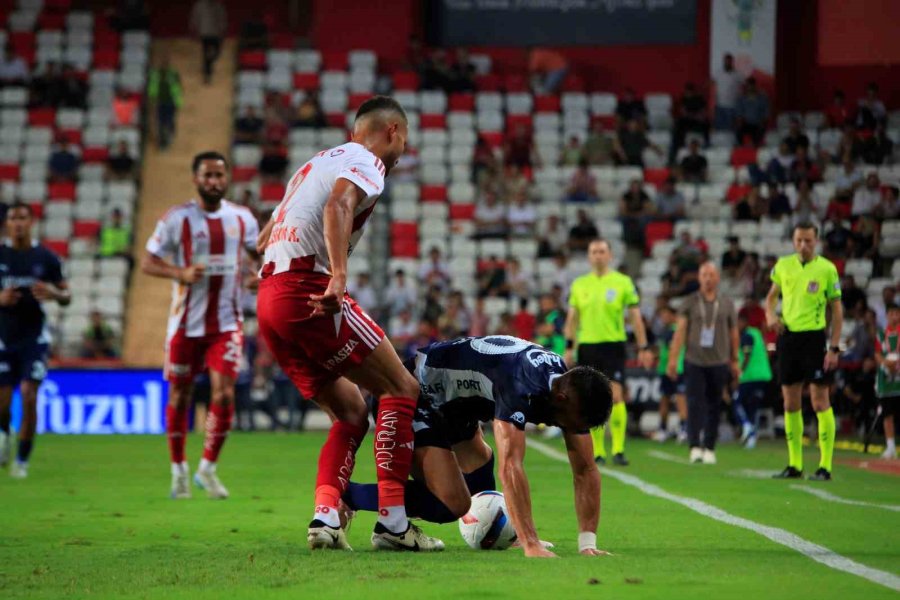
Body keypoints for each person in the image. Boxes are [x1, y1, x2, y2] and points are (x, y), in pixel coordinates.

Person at [255, 96, 442, 551]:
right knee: (402, 387)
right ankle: (394, 523)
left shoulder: (316, 163)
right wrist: (338, 275)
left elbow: (263, 236)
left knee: (351, 412)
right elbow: (338, 204)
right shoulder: (367, 159)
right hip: (308, 290)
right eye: (405, 141)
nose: (402, 153)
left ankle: (325, 517)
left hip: (270, 299)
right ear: (393, 131)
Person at [344, 336, 613, 558]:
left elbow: (585, 469)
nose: (575, 430)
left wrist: (587, 543)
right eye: (575, 423)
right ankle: (346, 496)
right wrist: (532, 543)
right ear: (562, 398)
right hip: (413, 394)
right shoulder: (519, 384)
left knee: (481, 465)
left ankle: (515, 535)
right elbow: (512, 467)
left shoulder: (565, 385)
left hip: (455, 407)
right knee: (452, 503)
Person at [141, 151, 260, 500]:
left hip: (226, 323)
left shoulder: (242, 218)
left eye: (219, 175)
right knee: (180, 394)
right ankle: (178, 469)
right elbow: (148, 262)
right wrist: (178, 272)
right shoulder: (177, 219)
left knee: (224, 392)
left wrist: (259, 276)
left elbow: (258, 259)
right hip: (184, 324)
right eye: (207, 175)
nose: (214, 182)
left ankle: (207, 468)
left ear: (227, 179)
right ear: (196, 179)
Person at [564, 239, 653, 466]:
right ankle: (598, 452)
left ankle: (619, 449)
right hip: (588, 346)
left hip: (613, 346)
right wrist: (569, 346)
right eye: (594, 252)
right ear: (588, 256)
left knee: (616, 396)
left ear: (610, 255)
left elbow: (635, 317)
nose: (598, 255)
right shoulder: (579, 284)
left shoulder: (622, 282)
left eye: (602, 251)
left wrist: (643, 347)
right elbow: (572, 318)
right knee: (591, 399)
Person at [766, 222, 843, 481]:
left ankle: (825, 466)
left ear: (816, 241)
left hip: (814, 338)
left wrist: (833, 347)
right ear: (793, 240)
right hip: (788, 338)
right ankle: (795, 465)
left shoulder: (827, 269)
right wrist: (769, 316)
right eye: (799, 240)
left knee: (820, 400)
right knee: (790, 402)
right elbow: (771, 297)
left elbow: (837, 310)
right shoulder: (783, 265)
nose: (803, 245)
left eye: (808, 240)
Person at [0, 203, 71, 478]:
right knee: (3, 405)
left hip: (34, 339)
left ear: (32, 222)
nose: (18, 223)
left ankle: (22, 461)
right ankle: (4, 437)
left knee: (29, 396)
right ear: (7, 223)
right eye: (13, 218)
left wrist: (53, 293)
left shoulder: (47, 258)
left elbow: (67, 297)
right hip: (4, 339)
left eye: (23, 218)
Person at [667, 263, 739, 464]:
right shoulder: (689, 302)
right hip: (694, 360)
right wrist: (673, 359)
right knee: (694, 403)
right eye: (704, 274)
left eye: (712, 275)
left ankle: (709, 446)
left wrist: (735, 360)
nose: (708, 278)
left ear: (718, 278)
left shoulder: (726, 303)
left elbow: (734, 333)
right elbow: (680, 332)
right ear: (699, 278)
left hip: (719, 360)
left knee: (715, 405)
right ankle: (694, 446)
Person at [730, 312, 772, 449]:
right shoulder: (757, 334)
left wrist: (739, 375)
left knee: (737, 402)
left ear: (744, 322)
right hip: (763, 376)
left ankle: (747, 426)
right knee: (752, 407)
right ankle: (751, 439)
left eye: (738, 323)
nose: (736, 326)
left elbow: (746, 357)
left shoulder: (747, 336)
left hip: (750, 377)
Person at [653, 305, 687, 443]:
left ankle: (683, 429)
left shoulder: (675, 331)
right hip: (665, 370)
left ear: (673, 315)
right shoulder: (666, 331)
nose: (662, 318)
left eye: (665, 315)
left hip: (676, 370)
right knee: (665, 400)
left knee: (680, 400)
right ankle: (663, 429)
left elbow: (672, 349)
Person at [874, 303, 900, 459]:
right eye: (891, 313)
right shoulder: (881, 334)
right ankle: (890, 447)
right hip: (886, 378)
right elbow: (877, 353)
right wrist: (885, 363)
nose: (894, 316)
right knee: (887, 413)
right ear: (887, 315)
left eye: (897, 313)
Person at [147, 57, 183, 149]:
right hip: (161, 102)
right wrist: (152, 99)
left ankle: (169, 137)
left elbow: (178, 89)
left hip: (171, 102)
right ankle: (162, 141)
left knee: (169, 121)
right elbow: (152, 87)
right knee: (160, 122)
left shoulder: (173, 74)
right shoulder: (156, 74)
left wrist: (179, 102)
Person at [190, 0, 227, 83]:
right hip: (205, 32)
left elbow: (222, 18)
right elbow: (195, 17)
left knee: (216, 53)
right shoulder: (199, 5)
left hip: (215, 32)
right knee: (206, 53)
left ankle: (207, 65)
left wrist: (222, 30)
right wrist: (194, 29)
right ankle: (207, 74)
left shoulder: (218, 5)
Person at [734, 78, 769, 146]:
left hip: (758, 123)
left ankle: (755, 145)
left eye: (751, 85)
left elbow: (766, 112)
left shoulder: (762, 98)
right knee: (738, 128)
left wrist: (763, 120)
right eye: (748, 86)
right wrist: (740, 120)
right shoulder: (741, 98)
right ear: (746, 87)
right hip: (746, 123)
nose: (750, 88)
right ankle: (740, 145)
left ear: (754, 86)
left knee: (760, 129)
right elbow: (739, 112)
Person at [713, 53, 742, 131]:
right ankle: (719, 142)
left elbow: (743, 87)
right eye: (726, 61)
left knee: (730, 128)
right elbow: (712, 82)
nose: (727, 63)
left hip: (732, 106)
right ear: (724, 62)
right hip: (719, 105)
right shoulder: (718, 72)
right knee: (718, 127)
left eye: (729, 61)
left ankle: (729, 142)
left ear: (732, 62)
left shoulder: (738, 74)